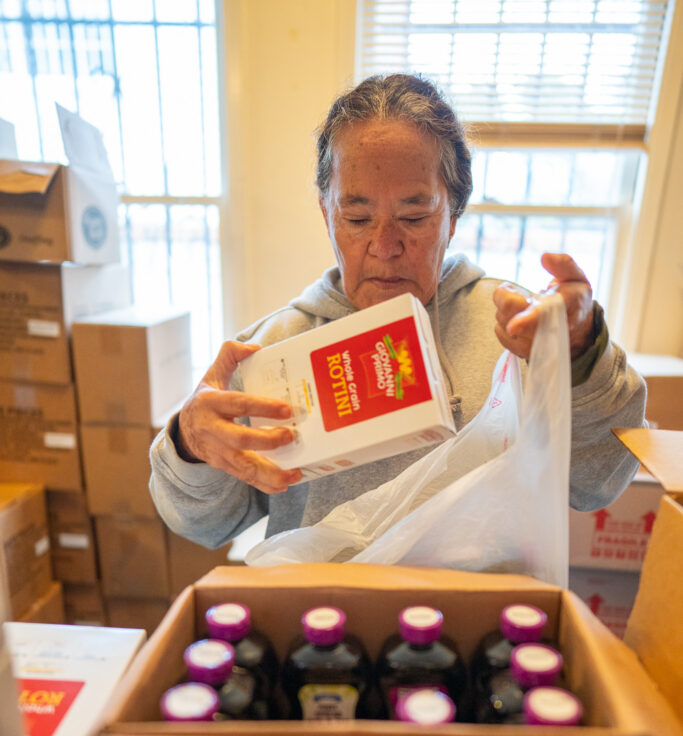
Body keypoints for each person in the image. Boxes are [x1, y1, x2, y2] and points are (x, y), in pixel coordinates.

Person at [149, 74, 646, 550]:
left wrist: (580, 354)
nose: (385, 247)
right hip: (324, 620)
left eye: (414, 216)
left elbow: (597, 483)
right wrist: (189, 444)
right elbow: (206, 526)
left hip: (483, 620)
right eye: (357, 218)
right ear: (326, 212)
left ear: (454, 212)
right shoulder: (271, 351)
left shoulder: (517, 327)